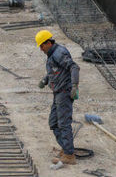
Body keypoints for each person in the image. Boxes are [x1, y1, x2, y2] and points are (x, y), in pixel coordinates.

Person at [36, 29, 80, 165]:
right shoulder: (52, 54)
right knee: (53, 122)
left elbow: (74, 67)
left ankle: (69, 155)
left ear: (48, 43)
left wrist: (74, 86)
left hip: (64, 93)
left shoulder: (59, 53)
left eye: (42, 46)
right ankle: (66, 148)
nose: (41, 49)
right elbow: (56, 70)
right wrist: (45, 80)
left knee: (63, 123)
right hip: (57, 93)